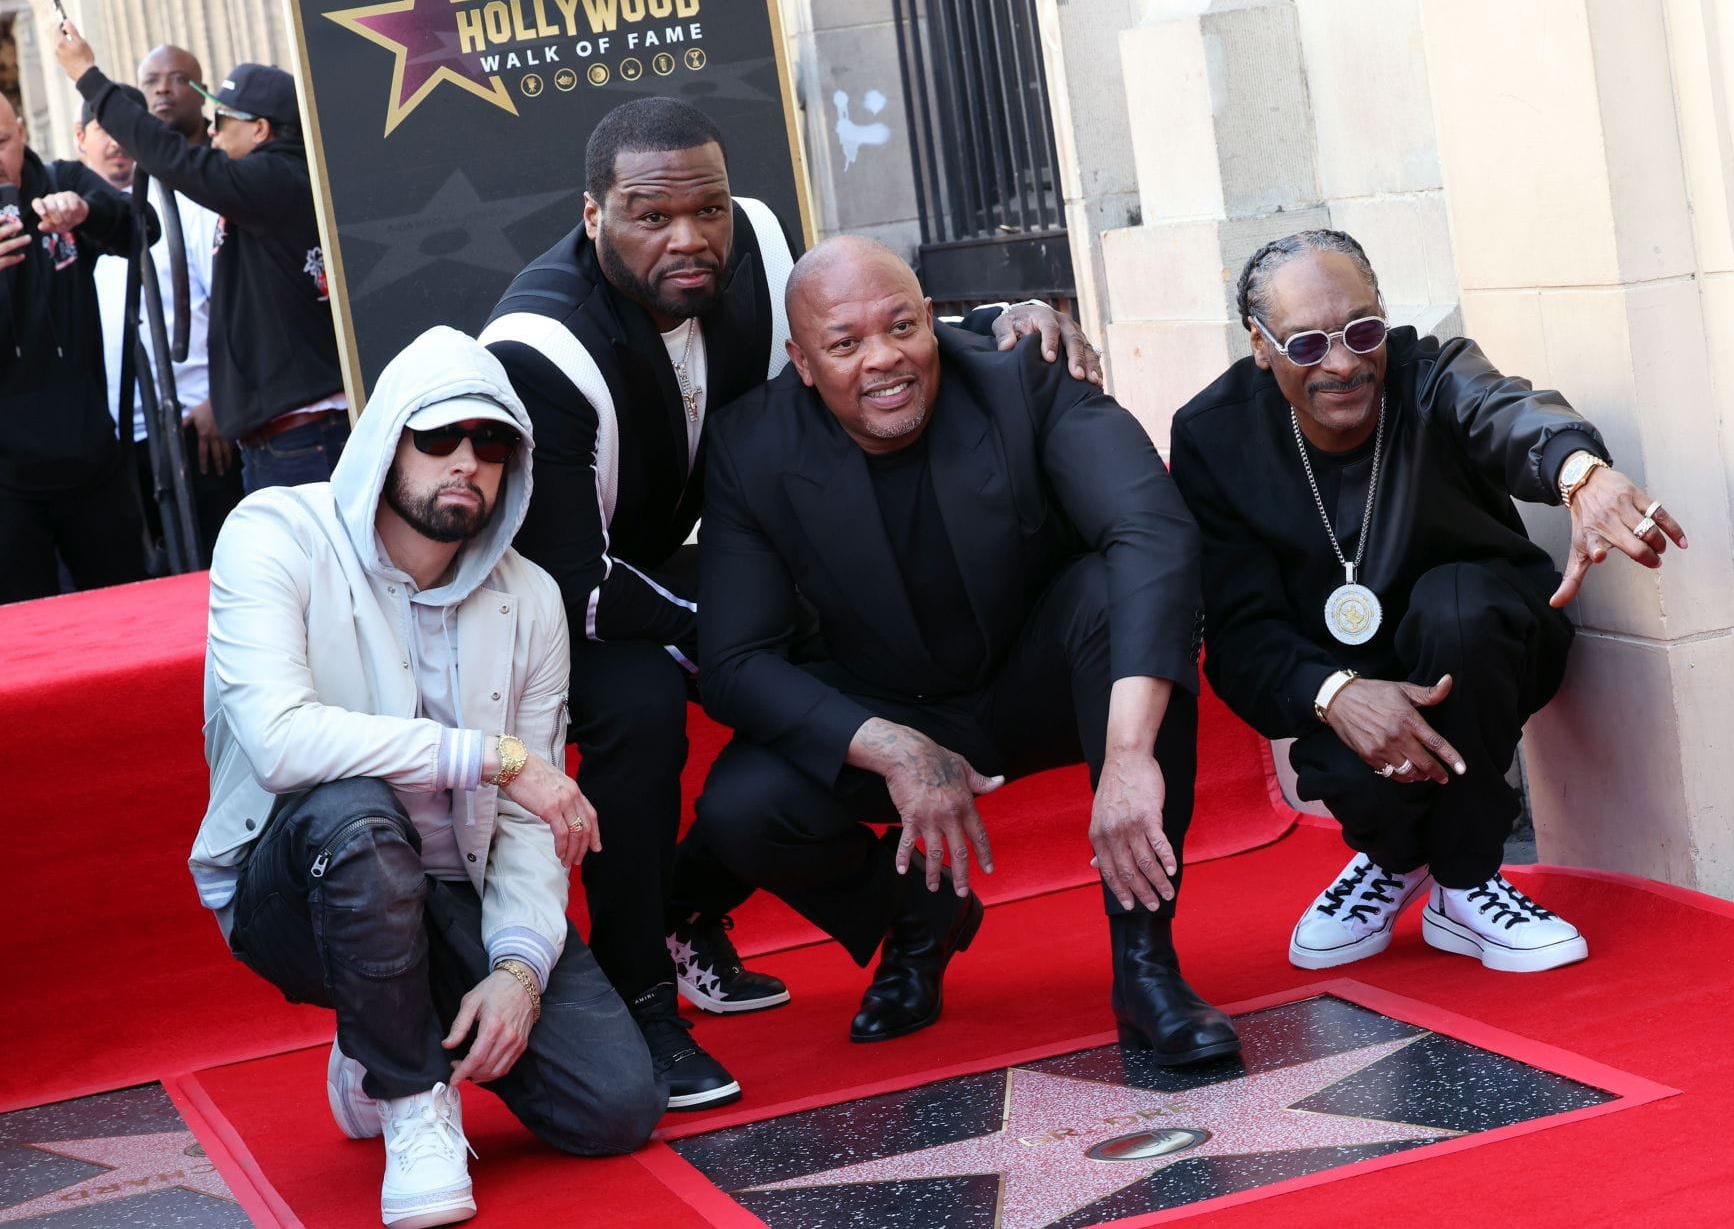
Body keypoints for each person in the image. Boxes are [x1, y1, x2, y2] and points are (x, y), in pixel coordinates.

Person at [481, 98, 1101, 1108]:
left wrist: (990, 325)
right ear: (593, 218)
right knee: (642, 707)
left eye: (708, 210)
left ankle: (691, 907)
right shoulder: (539, 344)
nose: (689, 238)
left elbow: (848, 329)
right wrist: (737, 634)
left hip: (693, 551)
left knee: (813, 668)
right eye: (650, 216)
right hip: (571, 593)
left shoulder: (756, 242)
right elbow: (580, 586)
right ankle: (640, 995)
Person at [692, 236, 1240, 1067]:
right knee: (743, 806)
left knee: (1115, 602)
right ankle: (918, 922)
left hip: (1041, 677)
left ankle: (1146, 969)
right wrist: (894, 748)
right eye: (845, 344)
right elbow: (734, 660)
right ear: (803, 363)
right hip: (893, 704)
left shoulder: (1024, 370)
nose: (884, 360)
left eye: (902, 326)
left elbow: (1150, 531)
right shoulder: (751, 446)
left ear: (931, 318)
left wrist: (1129, 754)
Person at [193, 327, 660, 1229]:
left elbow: (527, 826)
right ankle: (409, 1098)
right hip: (290, 884)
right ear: (387, 437)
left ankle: (379, 1029)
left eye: (492, 444)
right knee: (356, 814)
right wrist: (490, 757)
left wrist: (521, 968)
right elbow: (283, 744)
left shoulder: (529, 600)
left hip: (457, 891)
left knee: (616, 1106)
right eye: (439, 436)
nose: (467, 463)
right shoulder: (275, 536)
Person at [1170, 230, 1684, 974]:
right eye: (1308, 345)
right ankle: (1397, 857)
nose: (1344, 363)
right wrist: (1336, 693)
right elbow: (1241, 629)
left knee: (1459, 607)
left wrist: (1579, 473)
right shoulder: (1213, 436)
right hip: (1339, 677)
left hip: (1484, 642)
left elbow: (1506, 412)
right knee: (1353, 773)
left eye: (1362, 330)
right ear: (1259, 344)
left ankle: (1467, 880)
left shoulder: (1430, 372)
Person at [54, 20, 346, 492]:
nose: (211, 129)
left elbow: (176, 159)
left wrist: (88, 75)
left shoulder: (273, 179)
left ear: (259, 129)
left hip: (305, 438)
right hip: (291, 433)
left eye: (223, 119)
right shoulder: (273, 184)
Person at [78, 89, 241, 560]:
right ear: (79, 139)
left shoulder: (187, 209)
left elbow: (231, 308)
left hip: (197, 428)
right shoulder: (71, 220)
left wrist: (218, 400)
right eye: (101, 128)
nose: (115, 142)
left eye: (123, 127)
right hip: (116, 445)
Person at [0, 92, 148, 603]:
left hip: (89, 454)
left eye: (1, 142)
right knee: (26, 645)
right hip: (7, 480)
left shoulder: (61, 179)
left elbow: (140, 229)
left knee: (125, 615)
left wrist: (86, 212)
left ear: (21, 131)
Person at [138, 44, 213, 149]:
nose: (162, 88)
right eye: (151, 81)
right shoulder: (127, 159)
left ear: (202, 94)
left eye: (179, 79)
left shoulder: (231, 153)